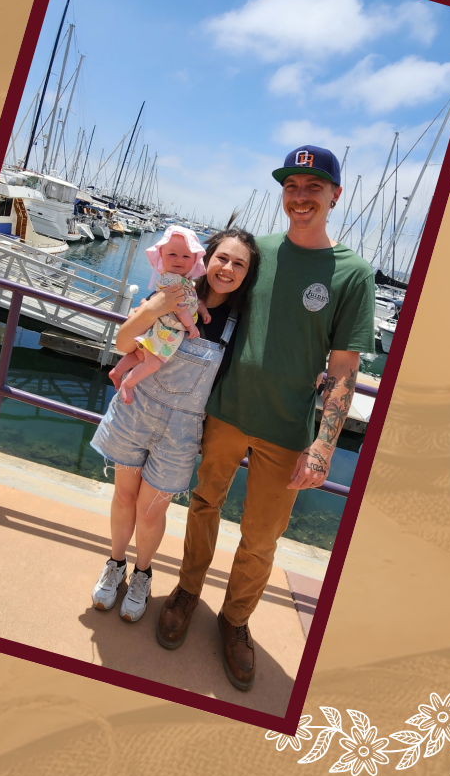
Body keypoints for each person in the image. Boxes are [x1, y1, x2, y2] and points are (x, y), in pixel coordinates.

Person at [155, 145, 377, 693]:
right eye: (292, 186)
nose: (300, 197)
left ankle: (234, 623)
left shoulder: (353, 274)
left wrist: (325, 444)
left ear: (334, 196)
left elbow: (345, 368)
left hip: (287, 429)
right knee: (204, 504)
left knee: (260, 537)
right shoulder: (258, 253)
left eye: (313, 188)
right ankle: (187, 590)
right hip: (225, 410)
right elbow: (204, 299)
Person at [87, 227, 259, 624]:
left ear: (247, 274)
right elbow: (121, 343)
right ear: (206, 258)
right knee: (124, 498)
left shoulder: (240, 325)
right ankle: (115, 564)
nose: (228, 268)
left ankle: (142, 574)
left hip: (181, 430)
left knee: (150, 512)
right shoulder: (174, 293)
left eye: (239, 264)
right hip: (137, 409)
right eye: (222, 258)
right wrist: (152, 308)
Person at [107, 226, 212, 403]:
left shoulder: (185, 282)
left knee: (139, 355)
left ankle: (117, 372)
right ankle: (128, 384)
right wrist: (190, 325)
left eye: (186, 256)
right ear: (161, 255)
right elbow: (180, 307)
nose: (179, 260)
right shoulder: (171, 280)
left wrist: (202, 309)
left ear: (194, 260)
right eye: (172, 255)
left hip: (160, 329)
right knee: (153, 363)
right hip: (163, 330)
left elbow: (193, 301)